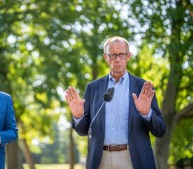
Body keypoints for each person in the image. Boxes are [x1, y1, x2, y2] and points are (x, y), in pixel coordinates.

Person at [65, 36, 166, 169]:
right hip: (100, 159)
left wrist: (147, 113)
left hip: (133, 158)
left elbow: (160, 130)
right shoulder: (93, 88)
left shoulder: (143, 87)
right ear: (106, 57)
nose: (118, 59)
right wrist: (78, 116)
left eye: (122, 54)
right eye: (113, 55)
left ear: (128, 56)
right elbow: (84, 130)